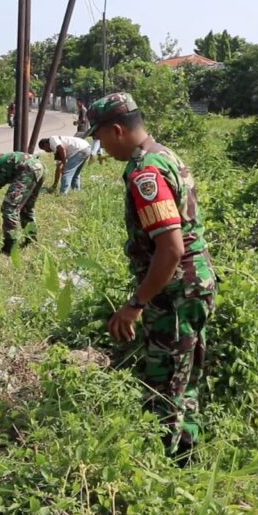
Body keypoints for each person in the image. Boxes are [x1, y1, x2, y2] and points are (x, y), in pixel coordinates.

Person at [87, 92, 217, 461]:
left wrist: (135, 304)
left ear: (116, 130)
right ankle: (187, 457)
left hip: (175, 292)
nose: (102, 147)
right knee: (186, 378)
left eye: (101, 138)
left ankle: (163, 466)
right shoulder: (165, 154)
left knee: (164, 384)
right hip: (194, 285)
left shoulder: (146, 171)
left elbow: (171, 249)